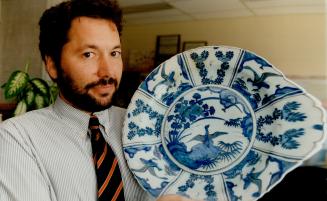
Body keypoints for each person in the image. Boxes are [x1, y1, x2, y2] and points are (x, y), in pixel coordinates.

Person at [0, 0, 200, 201]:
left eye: (114, 53)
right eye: (89, 54)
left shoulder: (152, 127)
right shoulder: (18, 139)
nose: (107, 71)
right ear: (52, 64)